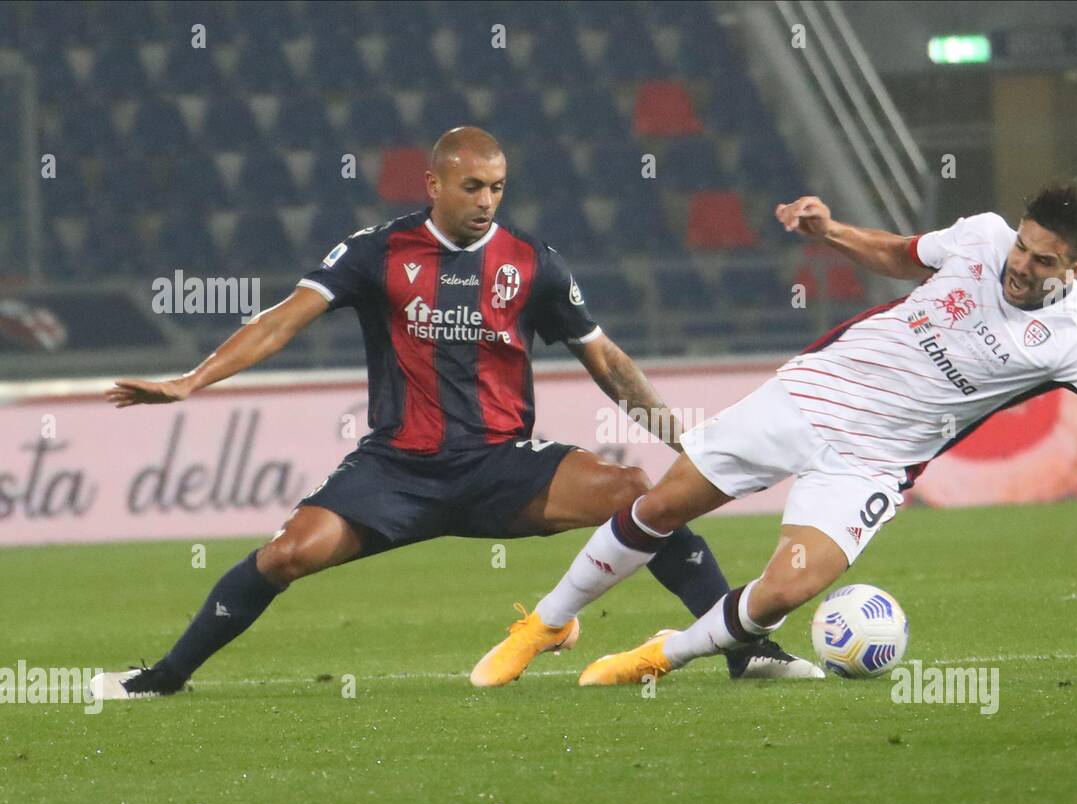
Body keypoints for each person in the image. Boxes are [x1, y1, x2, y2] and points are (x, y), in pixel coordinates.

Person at [88, 127, 819, 701]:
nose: (486, 200)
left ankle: (744, 647)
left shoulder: (533, 262)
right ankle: (163, 677)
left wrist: (686, 439)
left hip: (503, 466)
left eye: (497, 187)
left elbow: (608, 363)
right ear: (433, 182)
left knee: (638, 493)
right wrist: (194, 380)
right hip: (397, 471)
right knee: (285, 555)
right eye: (472, 186)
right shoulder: (378, 252)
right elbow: (283, 320)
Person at [485, 183, 1077, 687]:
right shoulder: (982, 236)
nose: (1020, 264)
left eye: (1042, 259)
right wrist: (829, 232)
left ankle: (661, 653)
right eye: (1022, 245)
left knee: (790, 585)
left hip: (874, 461)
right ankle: (547, 623)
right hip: (807, 395)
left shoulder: (1071, 338)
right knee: (662, 506)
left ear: (1074, 268)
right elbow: (899, 254)